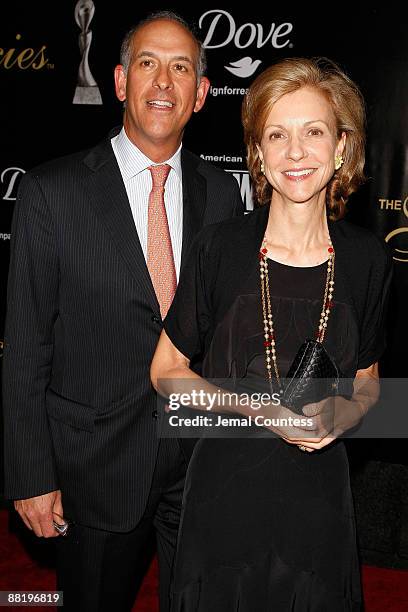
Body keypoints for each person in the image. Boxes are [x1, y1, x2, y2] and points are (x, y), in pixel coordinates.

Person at [2, 11, 243, 612]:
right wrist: (30, 474)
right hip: (95, 469)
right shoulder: (50, 192)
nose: (164, 82)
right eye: (148, 64)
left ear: (202, 93)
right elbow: (26, 347)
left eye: (181, 68)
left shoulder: (221, 194)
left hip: (198, 463)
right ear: (118, 81)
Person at [151, 57, 393, 610]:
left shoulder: (367, 260)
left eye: (313, 132)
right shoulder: (222, 248)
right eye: (277, 135)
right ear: (258, 152)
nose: (296, 152)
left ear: (341, 147)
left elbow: (370, 383)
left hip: (318, 500)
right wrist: (261, 411)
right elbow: (164, 373)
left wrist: (346, 414)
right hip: (222, 494)